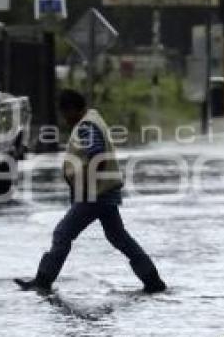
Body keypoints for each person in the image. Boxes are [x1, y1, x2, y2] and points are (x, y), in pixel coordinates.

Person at [14, 90, 167, 294]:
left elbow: (98, 157)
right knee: (118, 237)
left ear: (72, 109)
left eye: (64, 113)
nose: (64, 118)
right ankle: (152, 280)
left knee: (62, 233)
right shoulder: (92, 120)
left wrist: (87, 188)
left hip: (94, 194)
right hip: (104, 192)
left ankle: (43, 280)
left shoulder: (86, 127)